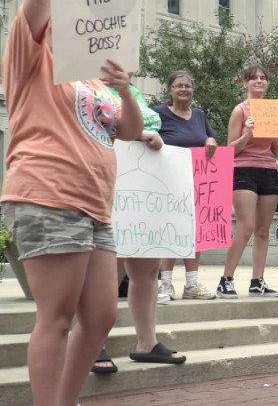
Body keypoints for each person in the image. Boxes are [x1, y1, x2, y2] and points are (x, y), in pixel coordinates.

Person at [0, 0, 144, 402]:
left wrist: (125, 88)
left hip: (95, 205)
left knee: (100, 317)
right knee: (57, 317)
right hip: (49, 193)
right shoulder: (30, 51)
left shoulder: (95, 77)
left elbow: (129, 131)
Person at [93, 79, 184, 373]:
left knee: (146, 268)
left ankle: (146, 342)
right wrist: (141, 134)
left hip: (140, 188)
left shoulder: (130, 91)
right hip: (111, 183)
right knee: (109, 266)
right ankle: (92, 343)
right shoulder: (86, 86)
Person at [216, 65, 278, 298]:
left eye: (263, 78)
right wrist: (248, 133)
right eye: (254, 78)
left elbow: (274, 151)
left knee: (263, 230)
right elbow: (230, 149)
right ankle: (226, 279)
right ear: (245, 84)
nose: (259, 81)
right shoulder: (240, 110)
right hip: (244, 170)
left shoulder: (273, 110)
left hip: (268, 170)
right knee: (246, 226)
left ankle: (257, 281)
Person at [154, 70, 218, 300]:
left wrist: (211, 140)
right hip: (167, 183)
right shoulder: (158, 113)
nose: (183, 89)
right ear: (170, 89)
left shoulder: (199, 115)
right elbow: (143, 137)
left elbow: (210, 139)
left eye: (187, 86)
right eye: (178, 86)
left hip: (197, 184)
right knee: (170, 231)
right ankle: (166, 284)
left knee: (194, 233)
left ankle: (191, 285)